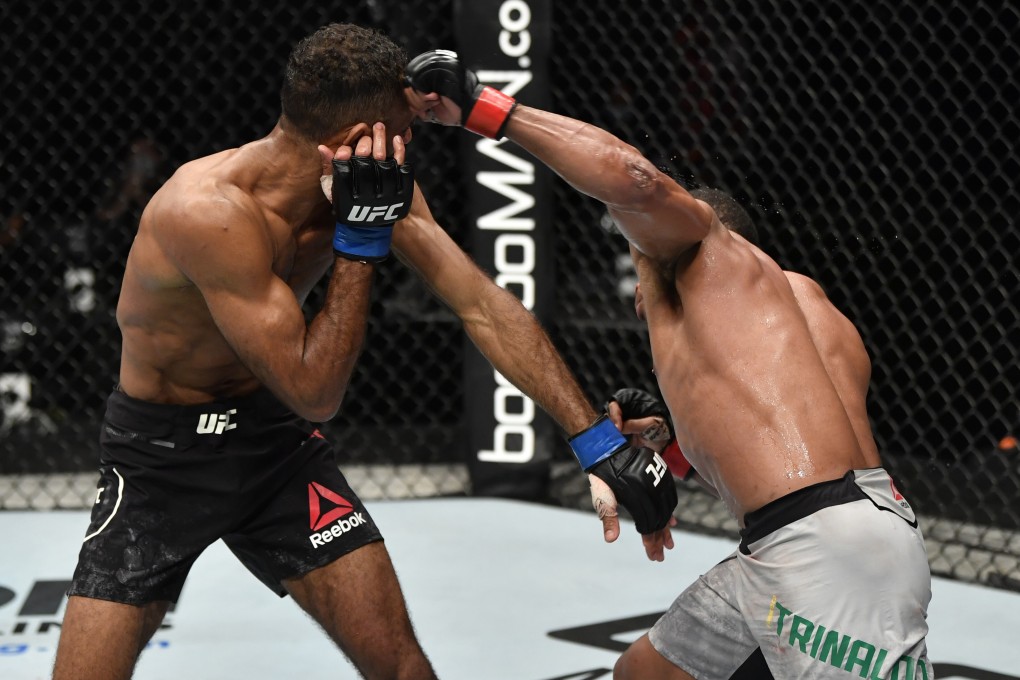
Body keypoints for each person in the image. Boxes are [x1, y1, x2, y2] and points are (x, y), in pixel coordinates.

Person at [52, 24, 675, 680]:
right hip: (160, 462)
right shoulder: (208, 211)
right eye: (405, 127)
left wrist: (592, 441)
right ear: (355, 141)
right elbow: (314, 391)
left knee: (402, 669)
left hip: (273, 450)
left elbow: (481, 305)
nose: (412, 141)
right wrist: (357, 239)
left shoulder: (380, 184)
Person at [406, 51, 933, 679]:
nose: (634, 286)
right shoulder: (802, 313)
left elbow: (636, 181)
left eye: (636, 252)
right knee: (645, 674)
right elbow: (780, 450)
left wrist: (483, 107)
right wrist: (669, 447)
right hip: (821, 532)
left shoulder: (705, 254)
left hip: (821, 552)